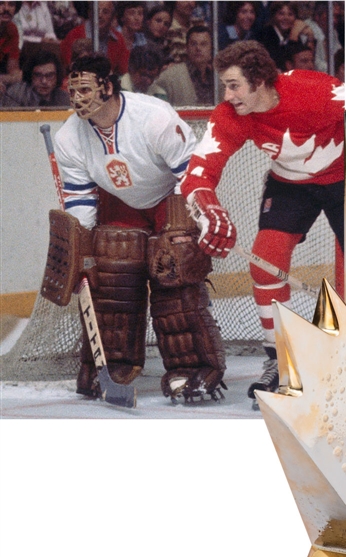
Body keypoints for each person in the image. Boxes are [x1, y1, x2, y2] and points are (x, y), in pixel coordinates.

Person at [52, 53, 226, 403]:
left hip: (171, 197)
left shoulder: (154, 117)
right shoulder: (69, 136)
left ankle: (191, 365)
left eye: (85, 88)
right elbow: (82, 202)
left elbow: (189, 174)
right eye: (73, 89)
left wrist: (186, 225)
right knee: (109, 270)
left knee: (173, 270)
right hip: (121, 203)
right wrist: (83, 252)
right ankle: (112, 362)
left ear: (108, 86)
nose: (77, 97)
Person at [180, 40, 344, 409]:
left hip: (345, 181)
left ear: (259, 80)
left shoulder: (315, 90)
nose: (227, 94)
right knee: (264, 263)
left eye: (234, 84)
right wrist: (209, 210)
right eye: (225, 85)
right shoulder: (230, 114)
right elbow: (198, 173)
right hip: (289, 186)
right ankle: (280, 361)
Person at [60, 1, 129, 75]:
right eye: (96, 11)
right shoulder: (74, 35)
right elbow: (70, 68)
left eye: (105, 12)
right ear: (89, 13)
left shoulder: (118, 39)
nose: (99, 15)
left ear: (113, 17)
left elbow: (124, 71)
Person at [154, 25, 213, 106]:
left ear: (211, 48)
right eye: (193, 44)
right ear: (186, 48)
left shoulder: (218, 79)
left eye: (203, 44)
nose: (198, 48)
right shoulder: (169, 77)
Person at [257, 1, 315, 73]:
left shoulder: (293, 32)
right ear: (273, 16)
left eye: (290, 14)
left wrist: (310, 38)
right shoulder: (264, 35)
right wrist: (293, 38)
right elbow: (283, 65)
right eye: (281, 14)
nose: (286, 18)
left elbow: (306, 60)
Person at [0, 47, 69, 106]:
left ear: (57, 76)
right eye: (38, 75)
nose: (44, 81)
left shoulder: (64, 98)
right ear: (30, 75)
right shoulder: (15, 96)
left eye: (49, 75)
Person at [0, 1, 22, 97]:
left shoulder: (11, 29)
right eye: (1, 4)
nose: (6, 9)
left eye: (11, 4)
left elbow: (14, 73)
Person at [144, 3, 172, 69]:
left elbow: (170, 61)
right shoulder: (138, 41)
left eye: (166, 24)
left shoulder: (165, 45)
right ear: (148, 22)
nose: (162, 26)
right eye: (158, 21)